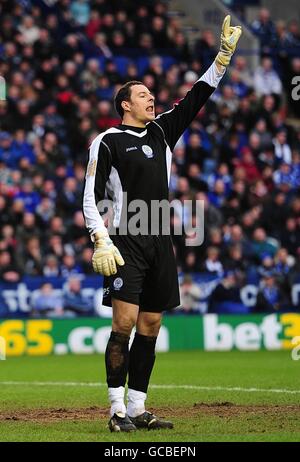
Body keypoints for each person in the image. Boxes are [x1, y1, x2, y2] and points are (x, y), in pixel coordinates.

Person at [83, 16, 242, 432]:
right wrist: (100, 236)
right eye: (143, 95)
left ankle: (138, 407)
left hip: (160, 239)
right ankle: (116, 411)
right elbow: (90, 194)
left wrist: (222, 59)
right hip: (126, 241)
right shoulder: (108, 140)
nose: (151, 99)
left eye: (152, 94)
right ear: (125, 104)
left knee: (151, 324)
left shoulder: (161, 132)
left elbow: (196, 98)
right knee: (123, 324)